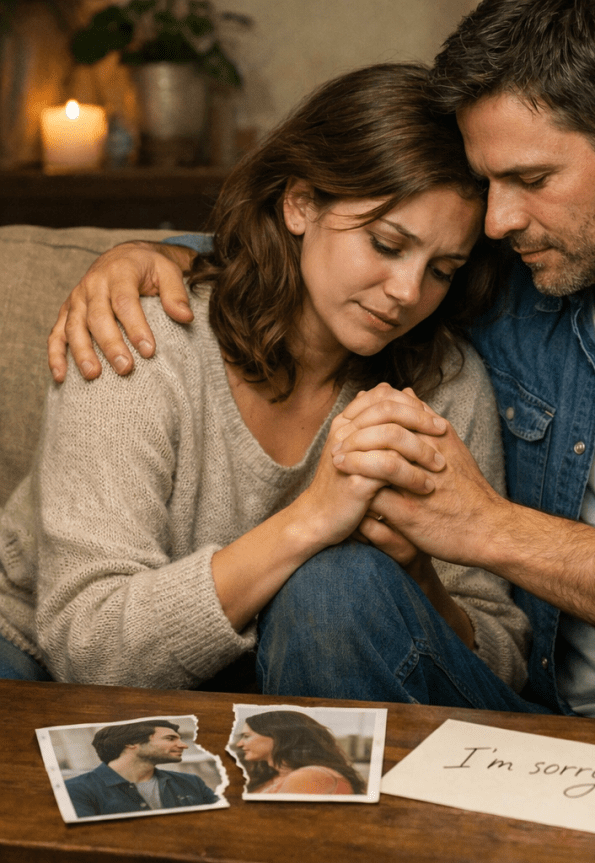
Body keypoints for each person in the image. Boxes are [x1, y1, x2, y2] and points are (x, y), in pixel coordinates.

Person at [44, 0, 595, 735]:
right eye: (487, 184)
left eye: (530, 179)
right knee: (332, 586)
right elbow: (327, 258)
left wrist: (486, 528)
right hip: (528, 719)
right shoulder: (515, 274)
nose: (498, 220)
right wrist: (148, 256)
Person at [0, 62, 531, 695]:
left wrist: (419, 582)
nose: (408, 292)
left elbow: (503, 661)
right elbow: (90, 651)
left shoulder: (443, 381)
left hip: (271, 688)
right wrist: (312, 519)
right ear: (300, 203)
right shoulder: (141, 339)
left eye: (442, 269)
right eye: (387, 245)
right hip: (36, 662)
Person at [65, 720, 218, 817]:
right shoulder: (75, 790)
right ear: (131, 743)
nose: (183, 745)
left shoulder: (191, 782)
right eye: (170, 739)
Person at [234, 711, 366, 795]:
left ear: (279, 737)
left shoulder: (309, 775)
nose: (239, 744)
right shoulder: (273, 775)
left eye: (246, 736)